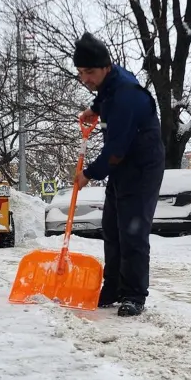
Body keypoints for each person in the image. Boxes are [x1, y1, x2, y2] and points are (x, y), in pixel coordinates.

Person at [72, 33, 165, 317]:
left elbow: (115, 150)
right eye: (80, 72)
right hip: (123, 165)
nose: (85, 79)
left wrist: (88, 174)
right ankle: (112, 287)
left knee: (132, 232)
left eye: (89, 72)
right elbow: (105, 96)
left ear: (105, 67)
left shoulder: (126, 95)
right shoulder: (112, 82)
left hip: (142, 165)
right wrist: (94, 108)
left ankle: (134, 295)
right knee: (111, 228)